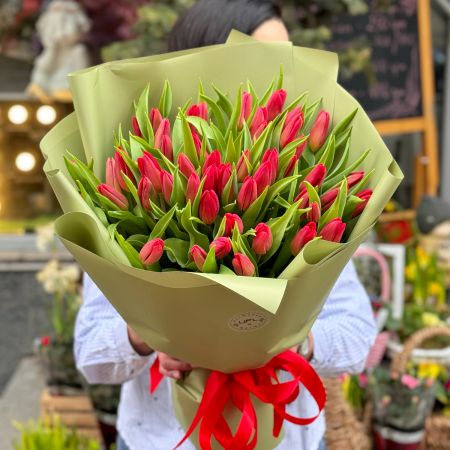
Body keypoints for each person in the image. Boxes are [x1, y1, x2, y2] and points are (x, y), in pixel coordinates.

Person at [75, 1, 377, 449]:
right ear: (204, 63)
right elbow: (90, 356)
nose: (284, 75)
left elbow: (356, 336)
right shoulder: (133, 169)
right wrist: (149, 336)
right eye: (264, 60)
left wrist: (294, 341)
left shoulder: (306, 184)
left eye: (286, 58)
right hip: (160, 438)